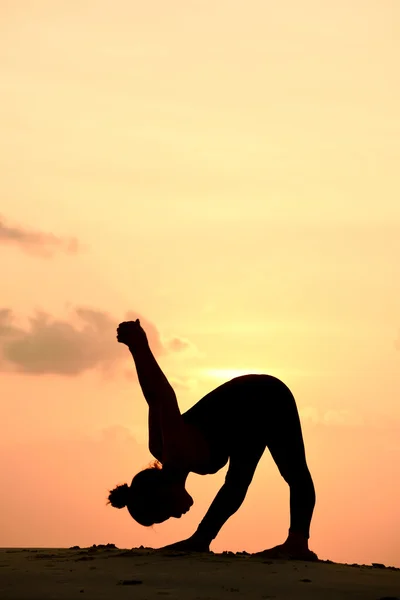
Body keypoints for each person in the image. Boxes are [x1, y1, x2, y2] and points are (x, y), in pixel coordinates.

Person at [108, 319, 317, 560]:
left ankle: (296, 543)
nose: (175, 517)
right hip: (246, 422)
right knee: (237, 485)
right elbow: (234, 490)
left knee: (293, 475)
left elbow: (158, 396)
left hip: (264, 397)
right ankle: (205, 539)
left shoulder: (170, 446)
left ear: (163, 495)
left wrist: (138, 346)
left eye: (165, 514)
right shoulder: (166, 449)